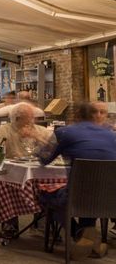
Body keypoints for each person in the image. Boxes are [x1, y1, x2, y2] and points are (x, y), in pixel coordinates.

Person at [38, 102, 116, 258]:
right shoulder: (113, 136)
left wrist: (43, 142)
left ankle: (80, 235)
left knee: (43, 194)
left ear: (77, 116)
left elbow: (43, 158)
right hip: (110, 199)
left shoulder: (64, 132)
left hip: (77, 196)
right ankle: (90, 238)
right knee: (90, 192)